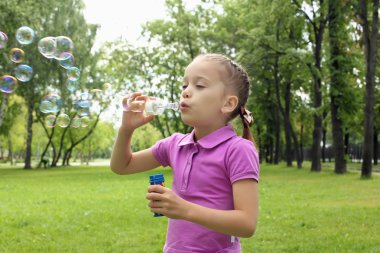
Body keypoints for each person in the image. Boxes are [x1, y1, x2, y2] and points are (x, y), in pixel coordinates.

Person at [110, 53, 259, 253]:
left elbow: (246, 224)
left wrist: (184, 209)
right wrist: (126, 129)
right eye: (184, 85)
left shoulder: (238, 149)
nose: (186, 92)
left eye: (199, 85)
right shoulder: (174, 145)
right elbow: (122, 166)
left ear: (228, 104)